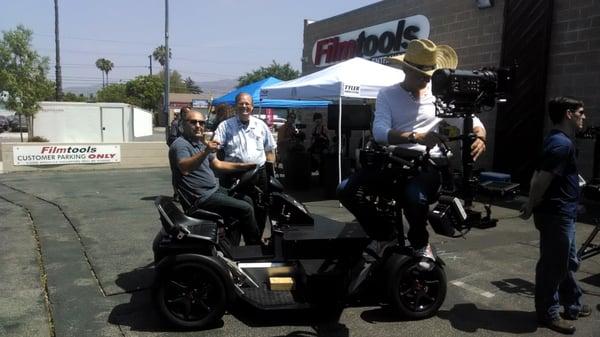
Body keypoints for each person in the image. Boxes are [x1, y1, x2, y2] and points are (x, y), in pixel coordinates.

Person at [340, 39, 487, 268]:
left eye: (429, 74)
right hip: (394, 160)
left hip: (428, 164)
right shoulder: (387, 95)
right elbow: (380, 133)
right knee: (346, 190)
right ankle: (384, 234)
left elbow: (471, 120)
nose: (427, 79)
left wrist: (480, 135)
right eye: (421, 74)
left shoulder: (438, 96)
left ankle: (421, 244)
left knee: (414, 197)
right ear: (406, 69)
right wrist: (416, 136)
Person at [520, 96, 591, 334]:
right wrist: (530, 205)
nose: (584, 117)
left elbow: (537, 172)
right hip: (556, 215)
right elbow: (541, 179)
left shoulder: (557, 140)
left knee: (566, 262)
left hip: (565, 213)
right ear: (568, 114)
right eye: (580, 112)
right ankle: (548, 313)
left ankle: (572, 302)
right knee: (553, 266)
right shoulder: (562, 144)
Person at [169, 109, 261, 245]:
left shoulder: (199, 143)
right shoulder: (181, 144)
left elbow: (218, 164)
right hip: (200, 198)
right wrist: (206, 151)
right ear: (183, 124)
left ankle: (233, 246)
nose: (198, 126)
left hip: (213, 190)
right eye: (193, 122)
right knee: (245, 209)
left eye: (201, 122)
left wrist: (244, 166)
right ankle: (255, 245)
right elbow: (184, 167)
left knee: (247, 199)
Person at [213, 92, 277, 237]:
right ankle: (233, 247)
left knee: (259, 210)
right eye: (241, 103)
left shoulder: (261, 125)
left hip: (258, 176)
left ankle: (255, 243)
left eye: (247, 103)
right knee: (233, 213)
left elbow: (270, 151)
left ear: (252, 107)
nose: (244, 106)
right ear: (236, 106)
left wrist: (270, 173)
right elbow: (214, 147)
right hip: (233, 176)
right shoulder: (225, 126)